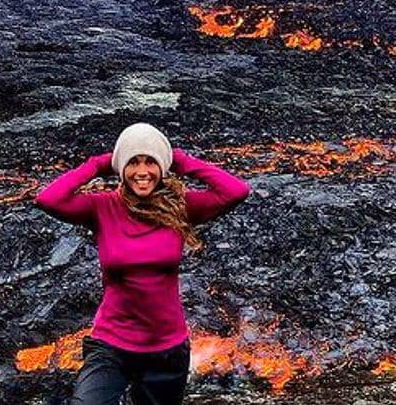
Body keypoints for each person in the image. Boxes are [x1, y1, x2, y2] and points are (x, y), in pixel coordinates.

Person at [34, 122, 252, 405]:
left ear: (162, 166)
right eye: (132, 162)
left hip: (167, 351)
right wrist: (99, 164)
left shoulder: (182, 207)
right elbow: (48, 199)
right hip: (111, 345)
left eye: (150, 162)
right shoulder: (101, 207)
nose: (141, 172)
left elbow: (236, 191)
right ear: (121, 168)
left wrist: (180, 160)